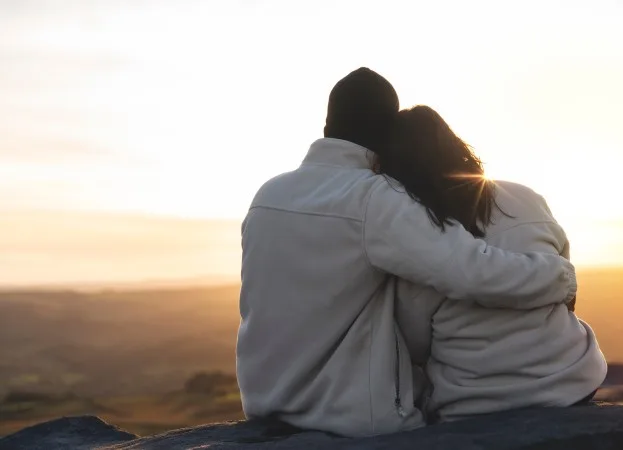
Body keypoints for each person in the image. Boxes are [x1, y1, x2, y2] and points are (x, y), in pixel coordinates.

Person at [236, 68, 578, 437]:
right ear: (386, 134)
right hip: (347, 415)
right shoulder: (376, 198)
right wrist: (559, 276)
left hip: (265, 401)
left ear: (327, 125)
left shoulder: (267, 195)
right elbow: (472, 271)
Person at [381, 106, 607, 422]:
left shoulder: (420, 237)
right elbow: (565, 285)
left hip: (474, 401)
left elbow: (415, 344)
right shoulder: (526, 198)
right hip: (572, 380)